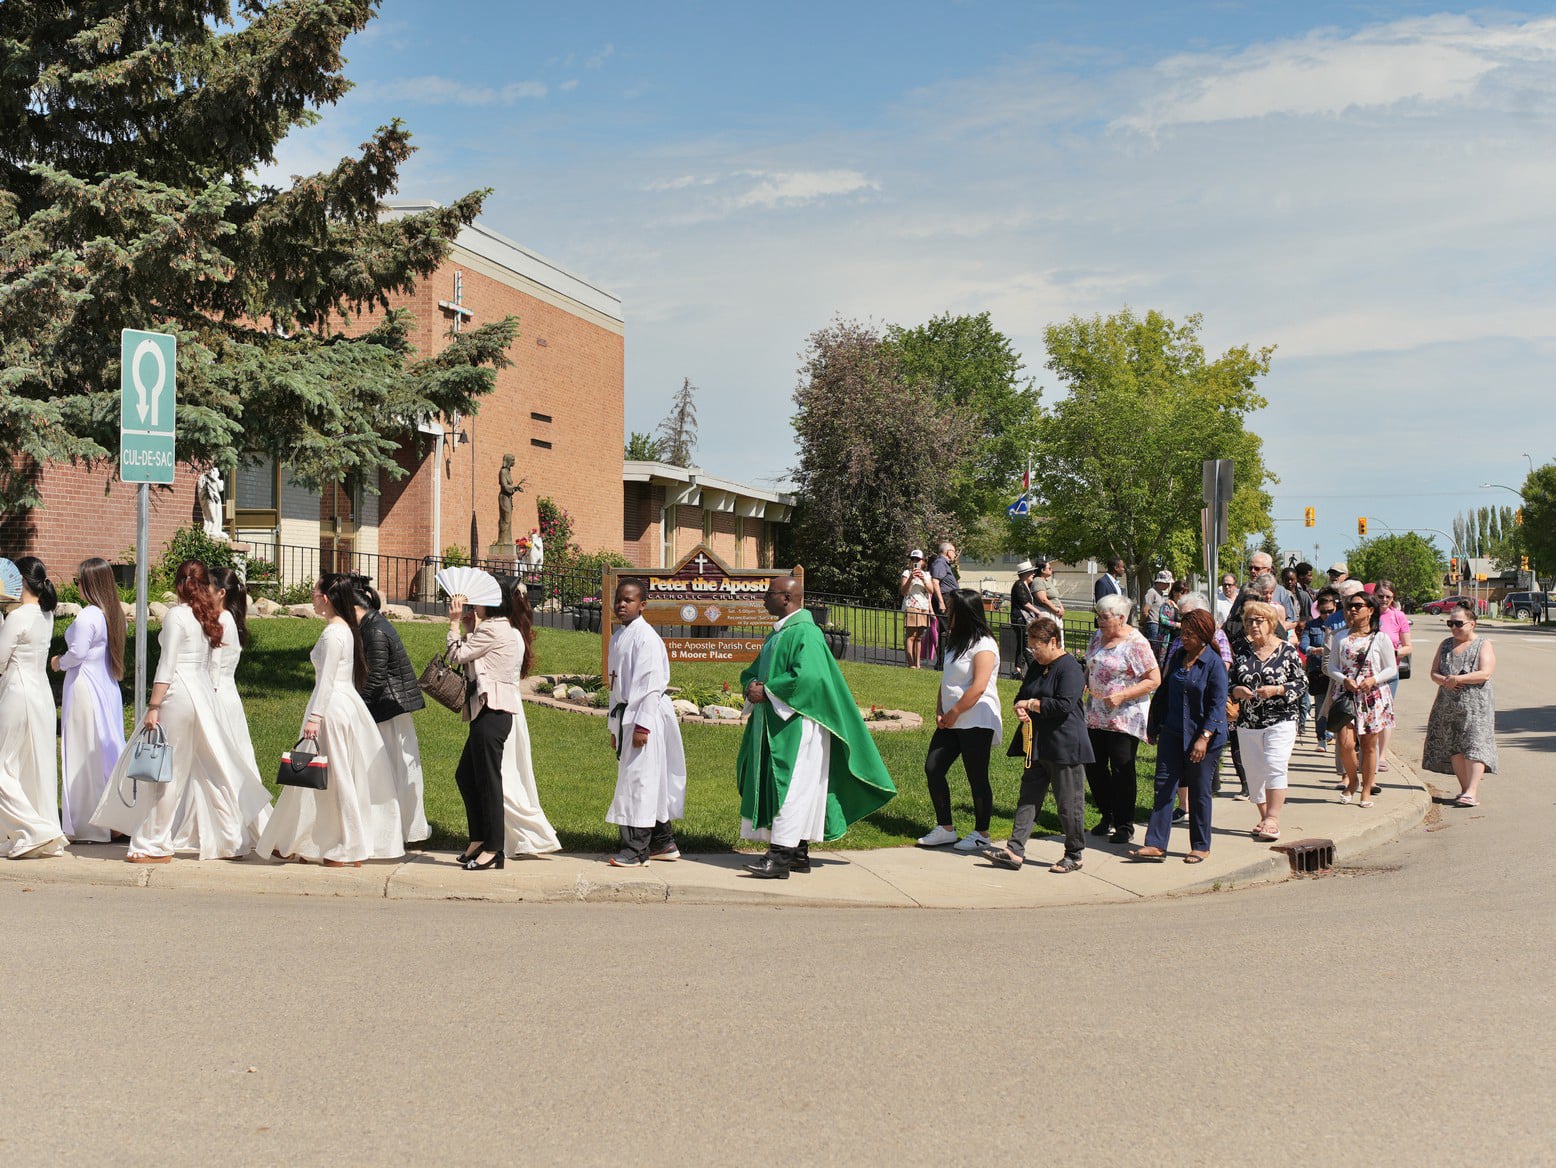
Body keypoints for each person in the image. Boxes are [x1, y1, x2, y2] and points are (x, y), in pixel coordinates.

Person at [95, 560, 259, 862]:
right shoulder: (206, 616)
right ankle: (232, 838)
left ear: (178, 583)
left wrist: (154, 705)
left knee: (164, 773)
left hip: (179, 696)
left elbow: (167, 664)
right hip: (202, 698)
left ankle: (153, 843)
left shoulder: (178, 616)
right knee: (212, 771)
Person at [737, 576, 896, 879]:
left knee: (793, 788)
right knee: (791, 787)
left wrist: (767, 691)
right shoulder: (780, 633)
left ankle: (779, 857)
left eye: (768, 594)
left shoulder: (806, 633)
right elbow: (754, 671)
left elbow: (808, 679)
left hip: (799, 726)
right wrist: (751, 685)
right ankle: (797, 853)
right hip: (778, 723)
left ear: (786, 598)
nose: (763, 600)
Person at [255, 574, 404, 867]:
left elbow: (326, 680)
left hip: (331, 709)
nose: (311, 597)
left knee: (334, 779)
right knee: (316, 780)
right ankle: (294, 841)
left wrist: (314, 717)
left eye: (314, 593)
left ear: (325, 599)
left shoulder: (335, 633)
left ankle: (348, 846)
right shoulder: (343, 629)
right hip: (335, 705)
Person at [170, 565, 272, 854]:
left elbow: (214, 667)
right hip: (224, 695)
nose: (203, 593)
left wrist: (208, 702)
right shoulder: (221, 619)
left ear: (222, 593)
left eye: (208, 589)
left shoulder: (223, 620)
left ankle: (236, 828)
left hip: (218, 696)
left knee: (223, 764)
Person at [983, 618, 1092, 873]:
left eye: (1037, 647)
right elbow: (1022, 695)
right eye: (1031, 647)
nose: (1033, 652)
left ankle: (1074, 854)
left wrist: (1031, 705)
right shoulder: (1037, 666)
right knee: (1028, 798)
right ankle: (1014, 850)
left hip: (1065, 746)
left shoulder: (1070, 668)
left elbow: (1063, 705)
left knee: (1068, 804)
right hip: (1037, 744)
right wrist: (1020, 708)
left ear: (1053, 641)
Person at [438, 577, 527, 871]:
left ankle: (493, 848)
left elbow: (457, 655)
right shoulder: (504, 629)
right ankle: (479, 839)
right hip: (492, 714)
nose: (471, 605)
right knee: (466, 776)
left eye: (477, 601)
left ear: (488, 602)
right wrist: (468, 629)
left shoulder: (493, 629)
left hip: (492, 713)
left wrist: (452, 624)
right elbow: (478, 659)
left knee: (489, 782)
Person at [604, 578, 687, 868]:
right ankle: (662, 842)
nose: (621, 605)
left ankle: (636, 850)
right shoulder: (619, 636)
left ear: (643, 605)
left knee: (639, 779)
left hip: (646, 715)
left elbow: (651, 686)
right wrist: (615, 728)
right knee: (649, 778)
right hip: (628, 714)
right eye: (618, 600)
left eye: (628, 600)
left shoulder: (647, 638)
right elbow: (615, 687)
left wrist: (642, 726)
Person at [1134, 609, 1227, 863]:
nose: (1183, 638)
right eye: (1182, 632)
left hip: (1202, 738)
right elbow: (1163, 693)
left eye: (1190, 634)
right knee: (1164, 785)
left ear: (1204, 635)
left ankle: (1200, 845)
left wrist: (1204, 738)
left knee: (1199, 790)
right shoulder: (1177, 657)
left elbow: (1217, 706)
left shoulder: (1214, 664)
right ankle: (1155, 844)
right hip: (1173, 733)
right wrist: (1153, 726)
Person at [915, 588, 1002, 852]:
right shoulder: (955, 641)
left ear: (965, 613)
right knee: (934, 767)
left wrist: (953, 713)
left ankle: (982, 833)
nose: (946, 612)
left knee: (976, 776)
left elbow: (978, 687)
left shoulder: (985, 645)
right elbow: (947, 681)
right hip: (951, 720)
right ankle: (946, 828)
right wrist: (940, 709)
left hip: (976, 718)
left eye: (951, 609)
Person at [51, 557, 126, 843]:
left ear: (90, 584)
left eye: (78, 581)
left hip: (85, 688)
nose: (77, 586)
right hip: (106, 688)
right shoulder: (112, 614)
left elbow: (77, 654)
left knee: (84, 753)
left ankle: (88, 823)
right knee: (106, 750)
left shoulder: (87, 617)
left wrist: (59, 661)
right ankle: (114, 818)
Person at [0, 556, 66, 858]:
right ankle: (33, 832)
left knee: (4, 766)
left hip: (18, 693)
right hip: (40, 693)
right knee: (35, 765)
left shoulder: (18, 616)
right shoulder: (45, 614)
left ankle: (37, 829)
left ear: (22, 582)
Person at [354, 583, 430, 845]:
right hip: (387, 707)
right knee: (392, 771)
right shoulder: (372, 625)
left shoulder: (374, 629)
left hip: (388, 709)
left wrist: (358, 707)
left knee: (389, 772)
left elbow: (376, 677)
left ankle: (393, 830)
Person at [1084, 593, 1161, 845]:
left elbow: (1153, 679)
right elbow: (1091, 666)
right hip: (1096, 713)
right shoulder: (1097, 637)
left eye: (1105, 618)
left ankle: (1124, 824)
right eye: (1098, 616)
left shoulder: (1136, 642)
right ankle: (1107, 814)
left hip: (1124, 716)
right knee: (1094, 766)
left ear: (1121, 618)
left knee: (1121, 769)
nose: (1100, 622)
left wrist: (1123, 695)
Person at [1228, 600, 1306, 841]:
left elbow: (1301, 683)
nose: (1253, 625)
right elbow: (1230, 682)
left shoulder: (1287, 650)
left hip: (1281, 718)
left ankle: (1273, 819)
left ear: (1271, 623)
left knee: (1275, 764)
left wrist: (1278, 690)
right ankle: (1264, 818)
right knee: (1253, 772)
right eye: (1249, 621)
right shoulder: (1242, 651)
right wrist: (1236, 691)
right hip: (1249, 721)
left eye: (1258, 621)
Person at [495, 581, 560, 858]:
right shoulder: (516, 632)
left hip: (503, 709)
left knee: (505, 775)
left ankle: (534, 834)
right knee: (509, 773)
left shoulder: (507, 635)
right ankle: (514, 838)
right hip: (512, 708)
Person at [1422, 603, 1497, 808]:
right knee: (1455, 746)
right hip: (1447, 704)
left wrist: (1458, 679)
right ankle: (1465, 789)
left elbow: (1485, 673)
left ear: (1472, 624)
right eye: (1450, 623)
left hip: (1476, 705)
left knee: (1475, 745)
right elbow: (1434, 673)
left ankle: (1472, 791)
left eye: (1458, 623)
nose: (1454, 628)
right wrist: (1444, 681)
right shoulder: (1446, 644)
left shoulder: (1483, 644)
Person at [1327, 589, 1397, 807]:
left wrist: (1373, 680)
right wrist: (1343, 679)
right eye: (1350, 606)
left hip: (1373, 697)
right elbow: (1332, 666)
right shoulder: (1340, 637)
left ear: (1370, 611)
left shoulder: (1380, 638)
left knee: (1368, 745)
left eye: (1358, 606)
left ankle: (1367, 788)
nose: (1353, 610)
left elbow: (1391, 668)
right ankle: (1353, 780)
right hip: (1347, 695)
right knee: (1345, 743)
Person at [1374, 579, 1413, 772]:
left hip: (1389, 672)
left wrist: (1393, 653)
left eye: (1388, 597)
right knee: (1367, 713)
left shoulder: (1398, 616)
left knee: (1385, 713)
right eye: (1380, 596)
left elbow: (1408, 646)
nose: (1384, 600)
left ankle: (1382, 755)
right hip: (1367, 673)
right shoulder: (1368, 613)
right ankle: (1367, 751)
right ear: (1374, 595)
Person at [1302, 588, 1342, 751]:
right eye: (1323, 612)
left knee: (1337, 705)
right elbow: (1303, 645)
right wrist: (1315, 650)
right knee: (1320, 705)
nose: (1326, 615)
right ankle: (1321, 737)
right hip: (1319, 670)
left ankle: (1334, 732)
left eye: (1330, 611)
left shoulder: (1340, 624)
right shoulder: (1312, 625)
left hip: (1337, 672)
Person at [899, 549, 937, 670]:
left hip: (923, 608)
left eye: (918, 559)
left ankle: (918, 664)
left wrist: (923, 579)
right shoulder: (906, 573)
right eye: (913, 559)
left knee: (919, 637)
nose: (915, 561)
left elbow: (931, 591)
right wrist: (911, 578)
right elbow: (903, 592)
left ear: (923, 561)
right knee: (911, 635)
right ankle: (911, 664)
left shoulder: (927, 575)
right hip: (911, 606)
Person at [928, 541, 960, 668]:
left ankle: (944, 662)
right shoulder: (940, 563)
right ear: (948, 552)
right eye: (953, 551)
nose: (955, 554)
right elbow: (935, 582)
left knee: (947, 631)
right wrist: (941, 602)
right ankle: (942, 663)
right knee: (946, 631)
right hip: (944, 599)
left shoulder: (944, 564)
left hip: (948, 599)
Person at [1008, 560, 1041, 678]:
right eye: (1031, 572)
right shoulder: (1019, 584)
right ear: (1025, 574)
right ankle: (1032, 670)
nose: (1033, 574)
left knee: (1021, 645)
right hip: (1020, 619)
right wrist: (1037, 612)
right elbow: (1024, 603)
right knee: (1026, 644)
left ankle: (1017, 671)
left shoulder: (1026, 585)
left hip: (1024, 619)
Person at [1141, 570, 1173, 659]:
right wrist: (1144, 623)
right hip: (1153, 625)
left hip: (1160, 625)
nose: (1168, 586)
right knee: (1153, 650)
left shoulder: (1161, 594)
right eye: (1166, 583)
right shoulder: (1152, 592)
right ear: (1160, 582)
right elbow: (1145, 610)